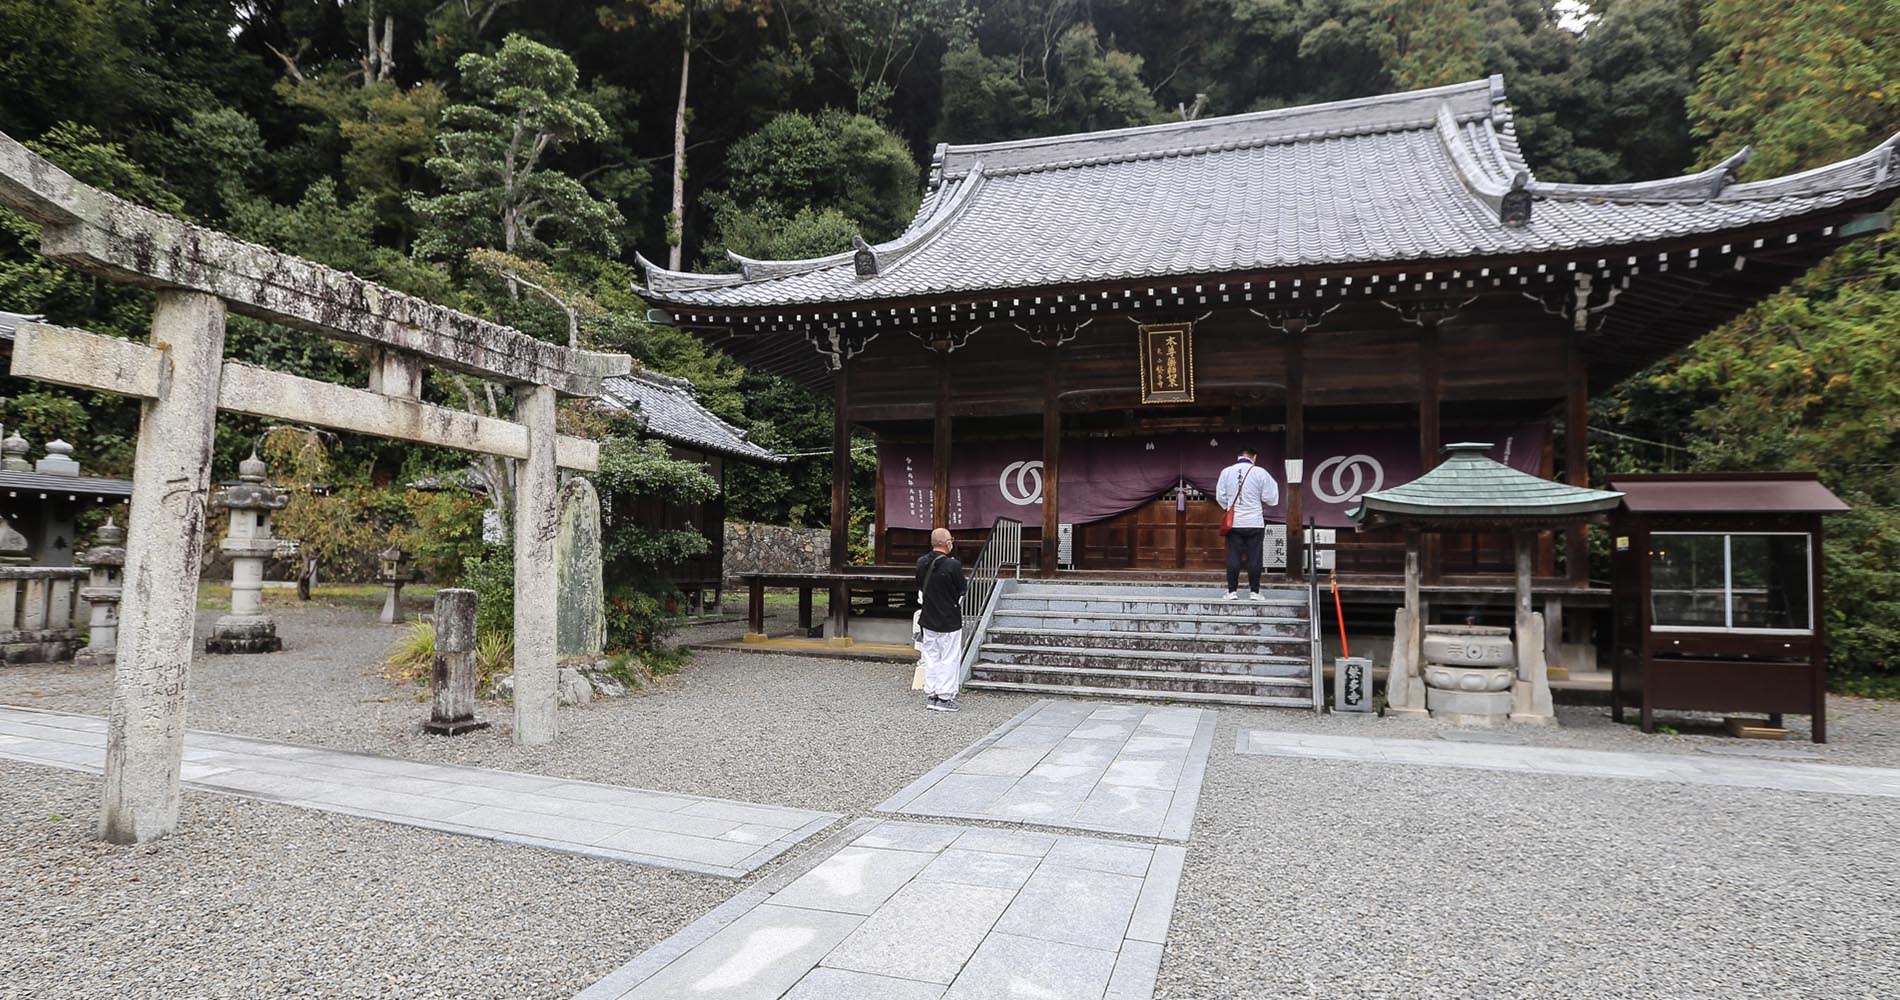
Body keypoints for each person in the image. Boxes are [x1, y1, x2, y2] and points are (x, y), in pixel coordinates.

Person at [1215, 446, 1281, 601]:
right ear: (1254, 457)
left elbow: (1220, 496)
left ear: (1238, 457)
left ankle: (1232, 592)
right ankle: (1255, 592)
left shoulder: (1226, 472)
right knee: (1255, 557)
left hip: (1234, 522)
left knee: (1233, 557)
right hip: (1255, 522)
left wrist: (1229, 506)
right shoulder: (1260, 472)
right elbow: (1271, 498)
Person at [915, 527, 968, 711]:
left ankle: (932, 694)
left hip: (928, 617)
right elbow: (962, 589)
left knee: (931, 656)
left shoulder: (921, 562)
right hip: (949, 618)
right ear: (948, 543)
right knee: (949, 657)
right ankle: (945, 698)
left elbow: (920, 586)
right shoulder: (953, 566)